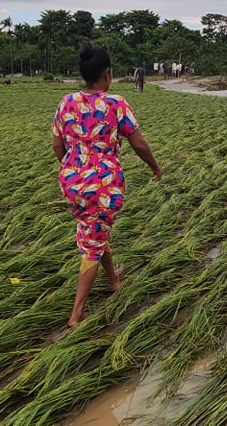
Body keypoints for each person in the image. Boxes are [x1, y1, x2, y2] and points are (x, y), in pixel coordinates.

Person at [52, 45, 163, 327]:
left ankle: (113, 279)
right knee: (93, 240)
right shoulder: (115, 103)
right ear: (107, 74)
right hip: (103, 185)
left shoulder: (67, 101)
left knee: (94, 230)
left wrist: (72, 168)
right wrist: (154, 166)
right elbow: (138, 143)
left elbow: (57, 144)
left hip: (71, 181)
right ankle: (77, 314)